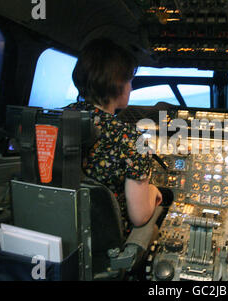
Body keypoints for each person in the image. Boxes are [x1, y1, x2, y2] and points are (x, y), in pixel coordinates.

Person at [66, 38, 162, 232]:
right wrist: (152, 191)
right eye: (129, 81)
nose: (131, 88)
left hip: (57, 227)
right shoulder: (130, 139)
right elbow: (140, 216)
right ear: (117, 84)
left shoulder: (53, 120)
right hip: (106, 242)